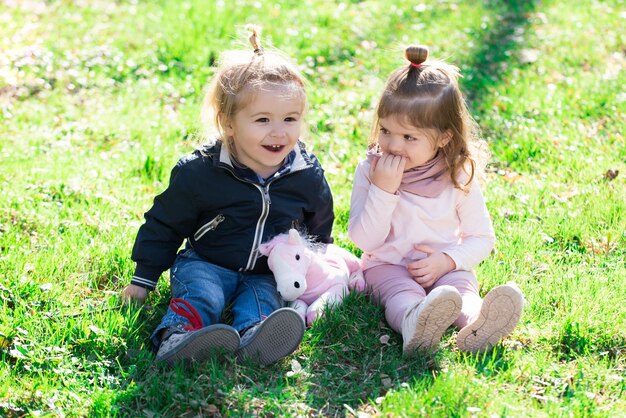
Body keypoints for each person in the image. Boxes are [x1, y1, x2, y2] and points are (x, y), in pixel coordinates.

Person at [121, 26, 335, 366]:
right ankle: (178, 338)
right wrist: (143, 280)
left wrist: (315, 251)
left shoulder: (304, 172)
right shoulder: (200, 173)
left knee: (263, 300)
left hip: (266, 270)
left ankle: (258, 336)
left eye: (290, 119)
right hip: (207, 261)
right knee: (201, 295)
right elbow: (164, 223)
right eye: (263, 119)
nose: (279, 131)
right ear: (229, 123)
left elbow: (320, 214)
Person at [348, 45, 523, 356]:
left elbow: (481, 237)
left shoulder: (457, 174)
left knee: (461, 290)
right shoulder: (371, 170)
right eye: (386, 131)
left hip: (444, 265)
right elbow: (364, 240)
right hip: (387, 266)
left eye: (409, 137)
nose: (392, 145)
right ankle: (415, 322)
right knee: (401, 294)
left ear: (443, 137)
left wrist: (448, 261)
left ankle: (477, 323)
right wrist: (383, 191)